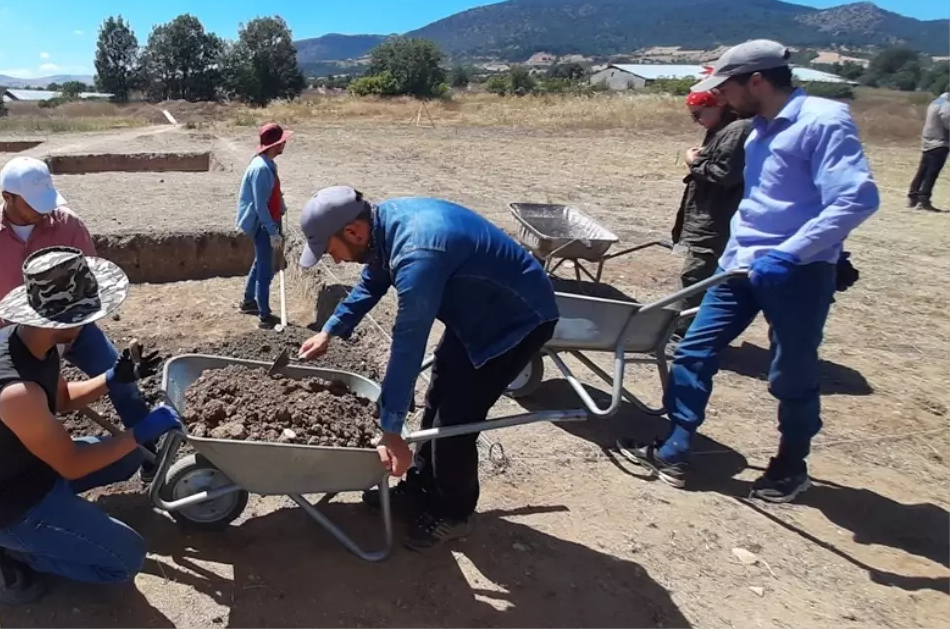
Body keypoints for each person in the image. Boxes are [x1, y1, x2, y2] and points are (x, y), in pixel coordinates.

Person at [619, 40, 880, 503]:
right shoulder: (756, 131)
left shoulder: (822, 120)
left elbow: (855, 199)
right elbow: (759, 207)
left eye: (727, 87)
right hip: (738, 268)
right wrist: (738, 255)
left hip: (796, 272)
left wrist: (795, 253)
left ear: (756, 80)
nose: (721, 98)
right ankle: (676, 446)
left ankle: (790, 464)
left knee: (790, 372)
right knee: (693, 351)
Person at [294, 186, 559, 550]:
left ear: (353, 232)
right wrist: (330, 330)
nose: (335, 260)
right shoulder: (382, 228)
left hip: (515, 320)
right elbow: (374, 279)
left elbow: (408, 343)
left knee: (455, 423)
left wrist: (390, 429)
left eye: (331, 249)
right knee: (437, 394)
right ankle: (421, 486)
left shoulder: (418, 251)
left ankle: (455, 513)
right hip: (475, 313)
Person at [0, 246, 181, 605]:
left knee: (129, 458)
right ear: (65, 319)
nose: (91, 323)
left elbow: (62, 399)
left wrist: (114, 377)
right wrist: (140, 431)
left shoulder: (31, 342)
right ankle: (11, 552)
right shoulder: (16, 392)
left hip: (30, 469)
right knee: (127, 559)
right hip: (6, 505)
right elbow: (72, 462)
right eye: (87, 314)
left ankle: (59, 524)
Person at [0, 157, 156, 476]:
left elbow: (90, 275)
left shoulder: (67, 225)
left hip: (76, 331)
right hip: (23, 340)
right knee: (36, 409)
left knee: (122, 381)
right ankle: (47, 472)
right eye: (33, 204)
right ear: (7, 197)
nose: (44, 211)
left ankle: (151, 451)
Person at [670, 90, 750, 338]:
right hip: (708, 214)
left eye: (698, 115)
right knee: (699, 274)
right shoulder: (724, 130)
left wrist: (694, 162)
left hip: (716, 219)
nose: (696, 121)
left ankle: (679, 335)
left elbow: (725, 174)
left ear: (717, 106)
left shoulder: (737, 131)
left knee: (696, 276)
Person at [235, 123, 291, 327]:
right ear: (275, 144)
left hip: (268, 220)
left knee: (260, 262)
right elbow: (260, 205)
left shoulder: (268, 164)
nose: (285, 143)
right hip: (262, 224)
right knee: (265, 272)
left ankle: (248, 301)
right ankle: (264, 316)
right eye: (282, 140)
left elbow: (273, 192)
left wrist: (281, 205)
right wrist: (272, 230)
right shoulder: (260, 169)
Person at [907, 89, 949, 212]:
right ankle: (923, 200)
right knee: (932, 173)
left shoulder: (937, 102)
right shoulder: (947, 106)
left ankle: (913, 196)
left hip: (928, 141)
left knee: (923, 170)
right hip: (940, 142)